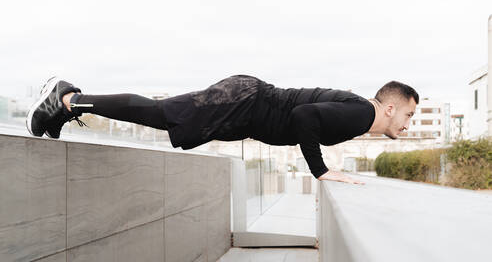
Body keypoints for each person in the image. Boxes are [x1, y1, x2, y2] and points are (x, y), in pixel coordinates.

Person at [26, 74, 418, 185]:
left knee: (163, 116)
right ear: (389, 107)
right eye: (408, 115)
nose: (407, 123)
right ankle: (67, 100)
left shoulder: (358, 111)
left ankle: (63, 108)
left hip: (246, 104)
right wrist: (322, 170)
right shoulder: (362, 115)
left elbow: (306, 116)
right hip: (245, 103)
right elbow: (304, 120)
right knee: (161, 114)